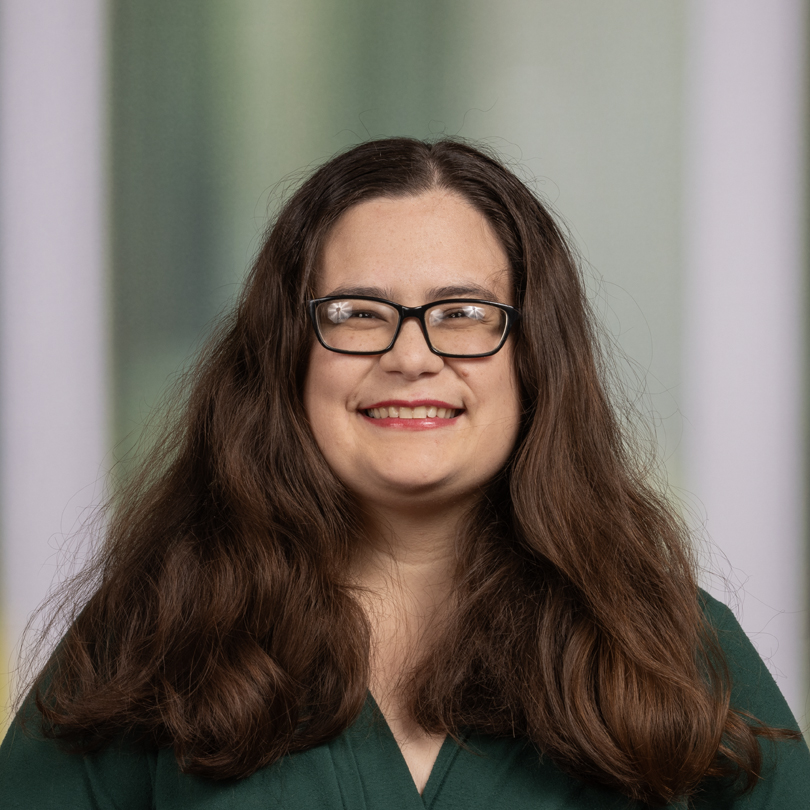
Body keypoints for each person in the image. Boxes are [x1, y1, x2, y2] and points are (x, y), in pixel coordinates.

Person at [1, 138, 808, 809]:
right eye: (358, 313)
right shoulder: (150, 637)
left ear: (534, 359)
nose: (412, 356)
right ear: (287, 353)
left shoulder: (669, 650)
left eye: (463, 314)